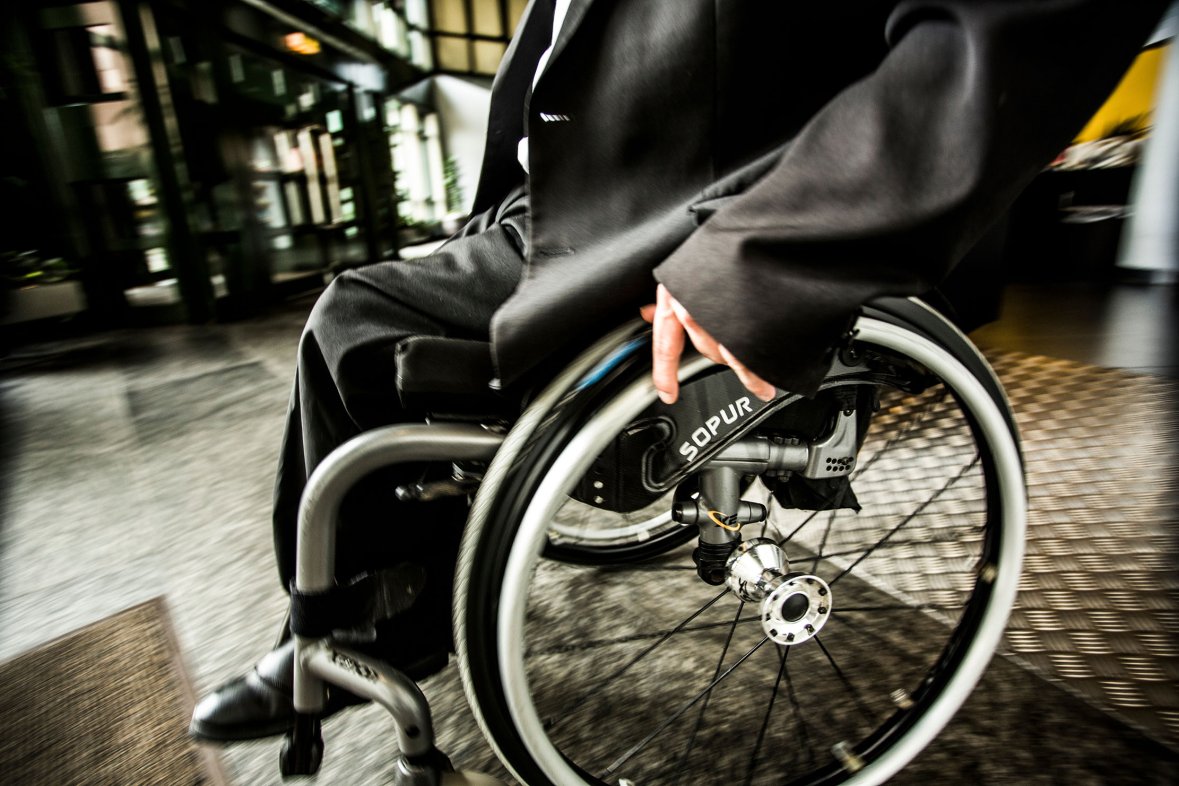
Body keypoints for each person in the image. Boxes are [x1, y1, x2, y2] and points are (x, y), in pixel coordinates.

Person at [191, 0, 1165, 742]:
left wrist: (766, 252)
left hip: (683, 220)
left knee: (351, 320)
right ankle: (387, 597)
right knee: (371, 315)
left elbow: (1022, 27)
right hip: (573, 208)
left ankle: (357, 624)